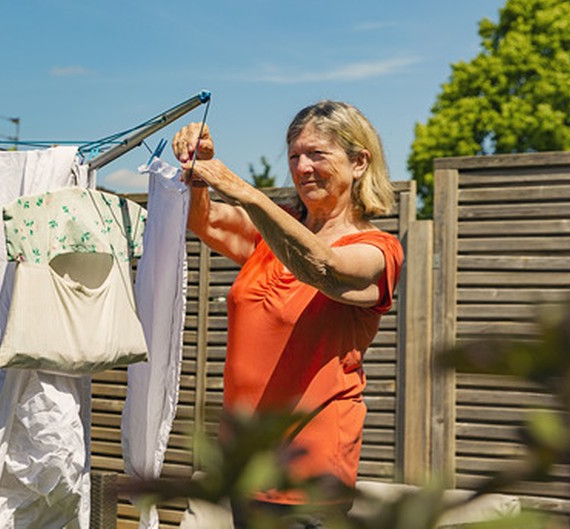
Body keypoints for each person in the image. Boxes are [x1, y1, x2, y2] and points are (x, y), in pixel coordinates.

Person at [172, 100, 404, 529]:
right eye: (295, 155)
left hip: (308, 476)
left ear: (358, 162)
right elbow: (203, 220)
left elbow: (325, 270)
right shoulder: (271, 238)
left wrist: (246, 192)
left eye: (317, 154)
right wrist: (198, 171)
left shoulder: (377, 250)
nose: (302, 167)